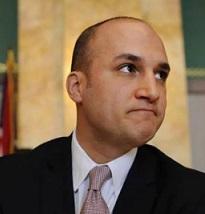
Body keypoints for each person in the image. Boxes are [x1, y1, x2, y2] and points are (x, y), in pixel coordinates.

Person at [0, 16, 205, 214]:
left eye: (161, 75)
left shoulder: (194, 196)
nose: (152, 92)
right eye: (129, 68)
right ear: (77, 87)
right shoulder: (9, 182)